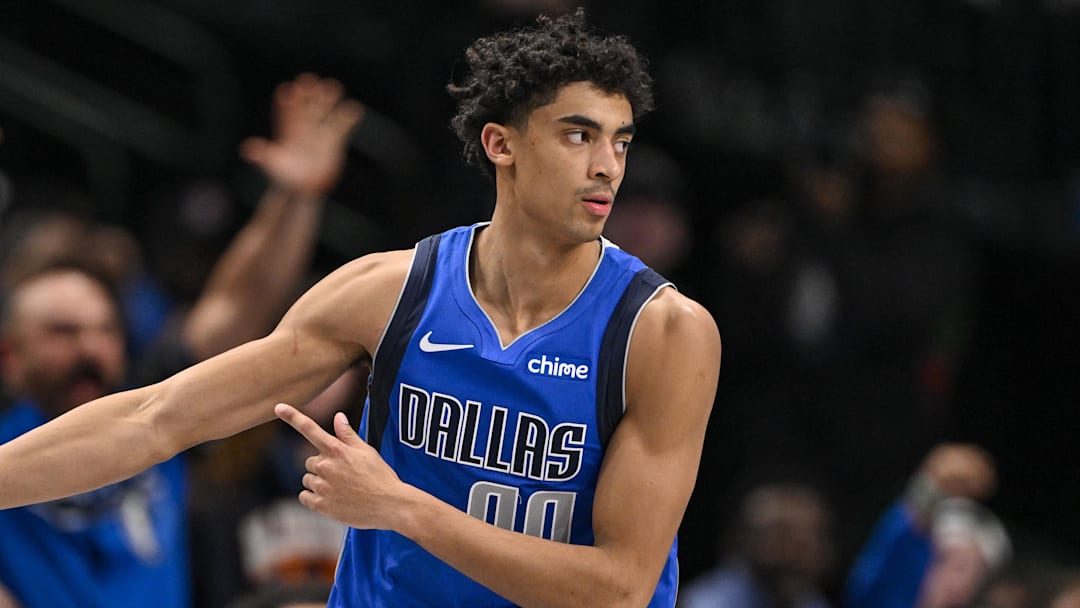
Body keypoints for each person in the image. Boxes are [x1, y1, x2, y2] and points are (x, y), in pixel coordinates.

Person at [0, 9, 721, 608]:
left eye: (620, 141)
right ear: (501, 143)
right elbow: (157, 417)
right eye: (578, 135)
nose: (607, 166)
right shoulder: (389, 291)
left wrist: (401, 507)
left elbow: (619, 589)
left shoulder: (662, 331)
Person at [0, 74, 362, 608]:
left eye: (105, 330)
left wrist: (295, 197)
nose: (90, 349)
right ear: (10, 355)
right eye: (62, 332)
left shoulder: (152, 415)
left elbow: (237, 305)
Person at [844, 442, 1011, 608]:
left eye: (974, 577)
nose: (961, 584)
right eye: (956, 567)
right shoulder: (909, 542)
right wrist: (931, 486)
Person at [679, 481, 834, 608]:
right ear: (746, 537)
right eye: (783, 537)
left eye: (807, 543)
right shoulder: (703, 602)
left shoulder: (812, 602)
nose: (794, 556)